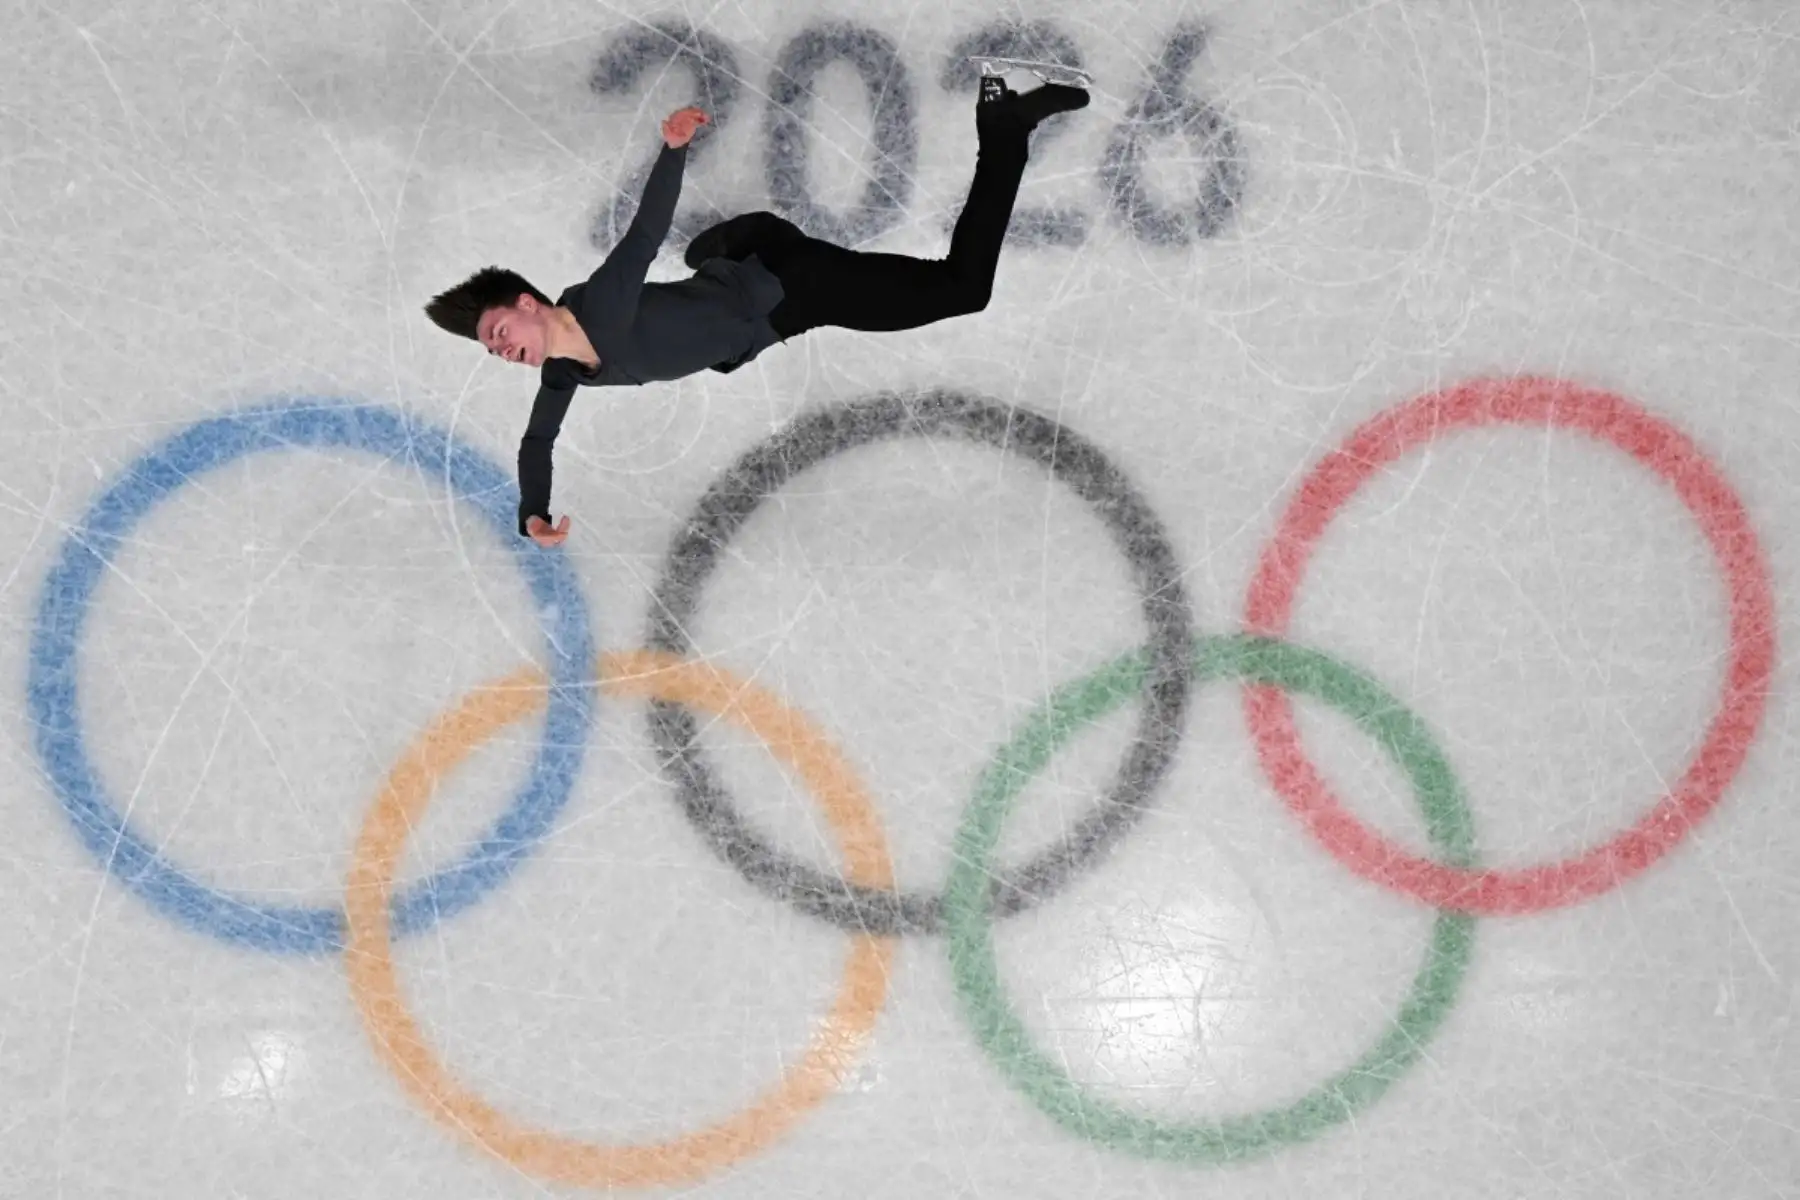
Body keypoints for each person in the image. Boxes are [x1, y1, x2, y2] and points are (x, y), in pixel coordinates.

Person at [424, 76, 1089, 546]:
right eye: (491, 350)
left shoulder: (601, 302)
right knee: (947, 288)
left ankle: (1003, 129)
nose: (501, 350)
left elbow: (644, 232)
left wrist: (674, 146)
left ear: (526, 303)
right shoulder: (565, 374)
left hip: (789, 284)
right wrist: (532, 513)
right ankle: (731, 244)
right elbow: (537, 442)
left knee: (962, 289)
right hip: (776, 316)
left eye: (498, 332)